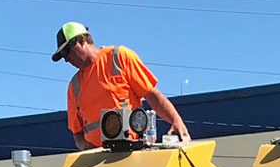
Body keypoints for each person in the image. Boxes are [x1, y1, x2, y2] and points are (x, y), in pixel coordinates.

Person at [52, 22, 190, 150]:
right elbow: (77, 134)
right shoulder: (74, 86)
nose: (66, 59)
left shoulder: (119, 57)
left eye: (66, 52)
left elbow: (152, 94)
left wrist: (176, 121)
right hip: (97, 162)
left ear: (82, 40)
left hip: (131, 152)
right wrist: (87, 149)